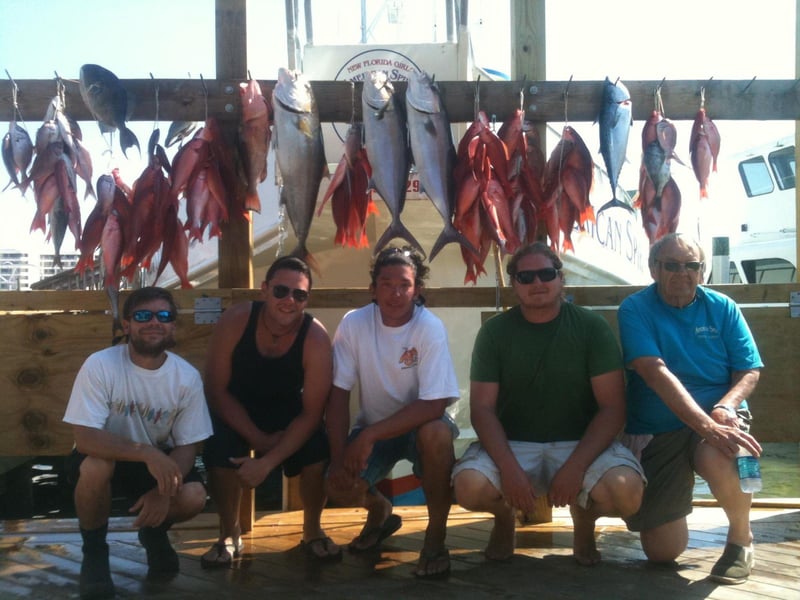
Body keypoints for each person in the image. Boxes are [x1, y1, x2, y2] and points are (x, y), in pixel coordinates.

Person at [452, 242, 645, 565]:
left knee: (628, 494)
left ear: (561, 278)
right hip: (513, 445)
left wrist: (576, 467)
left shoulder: (591, 328)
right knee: (468, 488)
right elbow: (482, 409)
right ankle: (503, 516)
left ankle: (584, 517)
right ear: (513, 284)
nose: (537, 283)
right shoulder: (494, 332)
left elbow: (613, 408)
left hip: (580, 444)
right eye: (525, 277)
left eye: (546, 274)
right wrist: (509, 470)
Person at [618, 232, 764, 584]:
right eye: (671, 265)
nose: (682, 273)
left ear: (703, 271)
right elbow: (654, 372)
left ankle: (741, 540)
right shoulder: (634, 308)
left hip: (718, 416)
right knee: (662, 552)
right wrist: (705, 425)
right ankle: (677, 500)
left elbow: (749, 370)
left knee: (723, 452)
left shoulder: (724, 307)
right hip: (660, 426)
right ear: (654, 269)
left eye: (691, 266)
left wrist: (726, 407)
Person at [63, 286, 212, 600]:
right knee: (96, 466)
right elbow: (85, 437)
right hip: (106, 457)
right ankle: (94, 553)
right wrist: (144, 452)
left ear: (173, 325)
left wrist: (163, 492)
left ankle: (154, 532)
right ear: (126, 324)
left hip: (153, 463)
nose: (154, 322)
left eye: (164, 315)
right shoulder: (100, 364)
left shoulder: (186, 377)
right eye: (143, 315)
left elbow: (187, 446)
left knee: (195, 495)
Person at [325, 246, 460, 578]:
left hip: (421, 427)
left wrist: (369, 435)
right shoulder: (353, 324)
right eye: (386, 284)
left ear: (418, 290)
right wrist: (341, 453)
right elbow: (338, 395)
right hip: (375, 428)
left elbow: (434, 404)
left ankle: (435, 536)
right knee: (337, 487)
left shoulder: (429, 327)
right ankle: (379, 509)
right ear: (373, 289)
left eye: (404, 284)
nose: (395, 293)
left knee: (437, 432)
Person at [201, 256, 340, 566]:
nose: (289, 300)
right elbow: (215, 390)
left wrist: (267, 463)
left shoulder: (315, 337)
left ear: (307, 299)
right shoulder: (236, 320)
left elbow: (312, 412)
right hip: (235, 405)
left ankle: (312, 529)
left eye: (299, 295)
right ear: (264, 290)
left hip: (288, 410)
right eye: (280, 291)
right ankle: (228, 532)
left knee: (318, 448)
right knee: (218, 447)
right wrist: (259, 441)